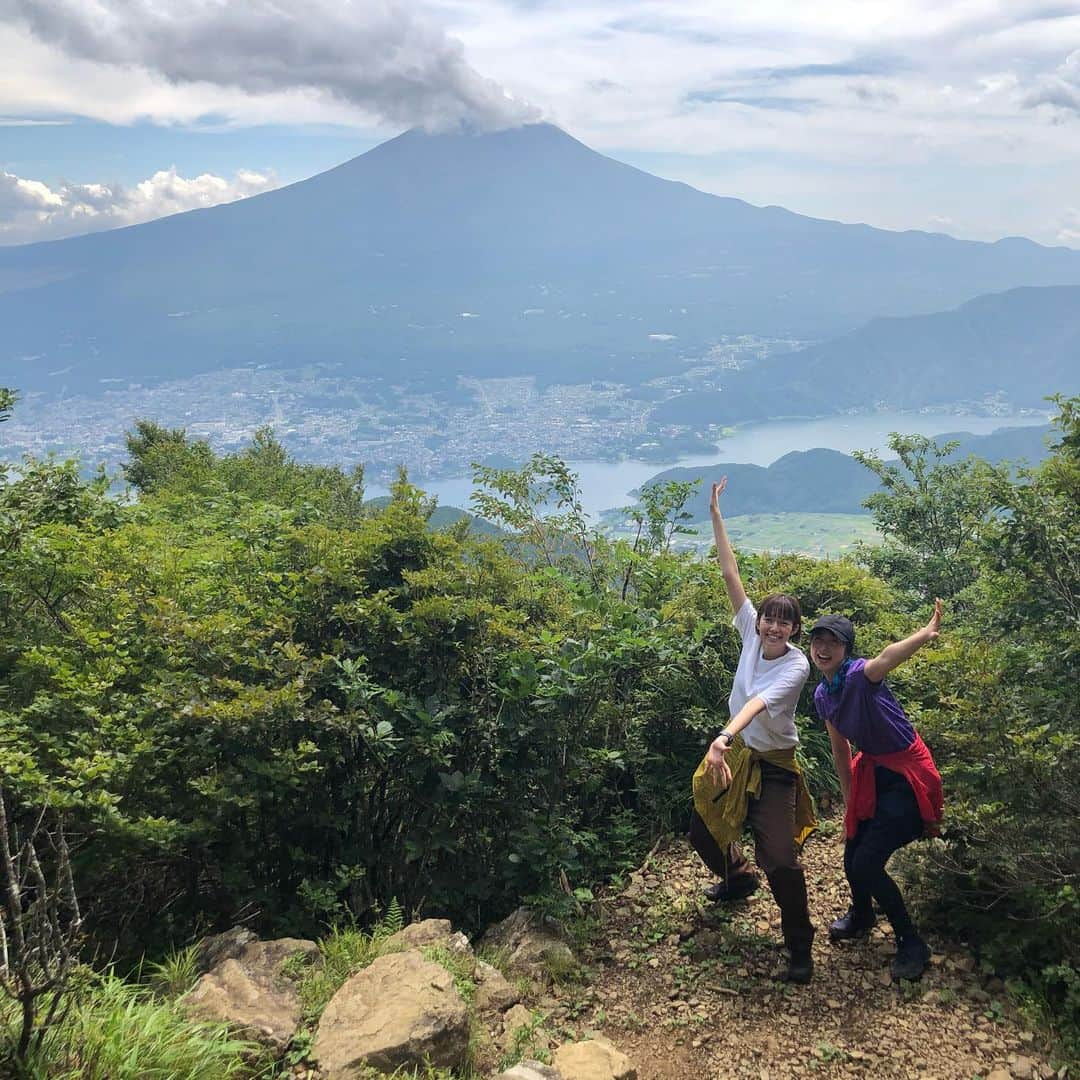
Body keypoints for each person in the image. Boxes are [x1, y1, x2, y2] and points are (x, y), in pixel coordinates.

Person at [688, 477, 817, 984]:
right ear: (757, 620)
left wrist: (722, 736)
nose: (773, 627)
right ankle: (737, 878)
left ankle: (800, 948)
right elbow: (729, 570)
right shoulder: (747, 630)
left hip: (773, 766)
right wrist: (716, 513)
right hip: (736, 754)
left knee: (781, 859)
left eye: (784, 622)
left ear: (794, 630)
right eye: (768, 618)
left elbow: (760, 704)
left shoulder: (797, 665)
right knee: (702, 830)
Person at [808, 602, 945, 981]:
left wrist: (926, 632)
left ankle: (912, 942)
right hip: (875, 772)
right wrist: (850, 804)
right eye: (817, 641)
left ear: (846, 649)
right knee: (853, 848)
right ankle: (863, 914)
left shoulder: (857, 676)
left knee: (867, 862)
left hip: (905, 773)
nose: (822, 648)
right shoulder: (824, 694)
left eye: (831, 642)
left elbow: (886, 658)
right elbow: (840, 749)